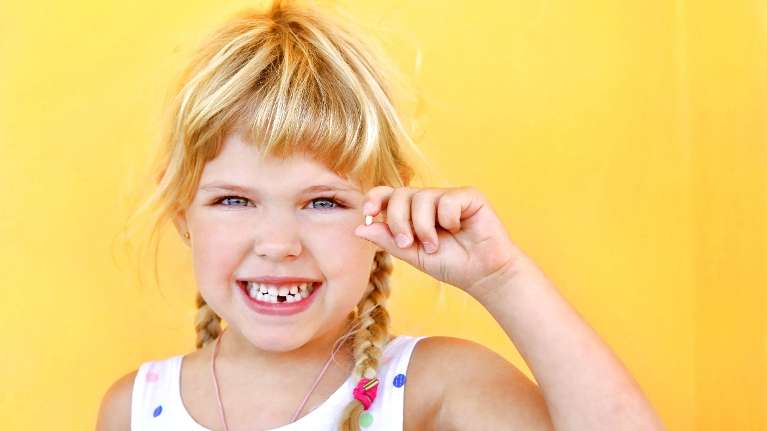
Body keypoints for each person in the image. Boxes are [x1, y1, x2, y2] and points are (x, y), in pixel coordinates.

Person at [96, 1, 665, 430]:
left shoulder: (433, 387)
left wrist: (503, 278)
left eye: (323, 202)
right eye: (235, 200)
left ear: (386, 213)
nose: (278, 243)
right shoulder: (135, 408)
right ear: (182, 217)